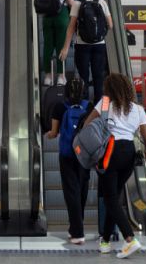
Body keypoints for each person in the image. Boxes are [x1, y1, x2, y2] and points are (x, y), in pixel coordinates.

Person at [82, 74, 146, 258]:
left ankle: (129, 239)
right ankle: (105, 241)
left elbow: (87, 124)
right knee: (113, 196)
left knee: (110, 199)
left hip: (109, 152)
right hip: (128, 153)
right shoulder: (138, 109)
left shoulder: (105, 104)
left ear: (109, 89)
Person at [47, 78, 91, 244]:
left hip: (67, 154)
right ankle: (76, 228)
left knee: (71, 191)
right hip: (85, 154)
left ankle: (77, 232)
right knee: (82, 190)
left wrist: (48, 135)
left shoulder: (60, 107)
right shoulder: (90, 106)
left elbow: (53, 132)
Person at [59, 0, 113, 104]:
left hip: (82, 45)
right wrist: (100, 32)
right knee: (98, 76)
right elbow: (110, 25)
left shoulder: (77, 4)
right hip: (99, 45)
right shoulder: (102, 2)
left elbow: (71, 27)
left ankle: (84, 104)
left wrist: (65, 48)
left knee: (83, 75)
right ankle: (99, 105)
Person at [39, 0, 75, 86]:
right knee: (61, 46)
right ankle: (61, 76)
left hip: (47, 17)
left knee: (48, 46)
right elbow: (70, 2)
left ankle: (47, 76)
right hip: (61, 16)